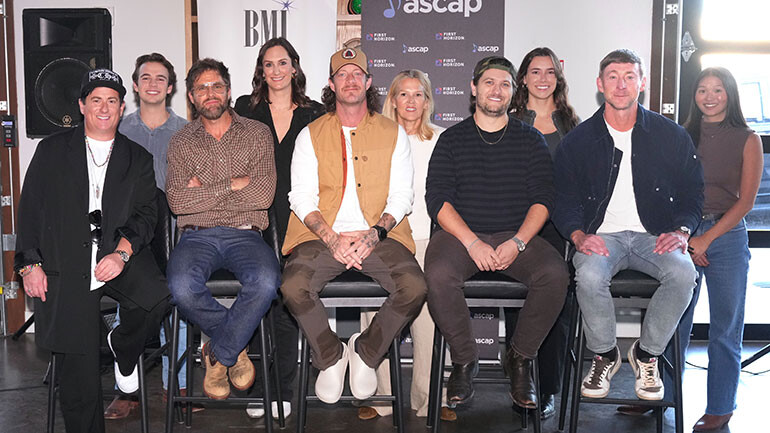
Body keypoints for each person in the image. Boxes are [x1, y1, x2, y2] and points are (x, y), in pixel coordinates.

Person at [15, 68, 170, 433]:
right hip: (65, 264)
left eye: (112, 101)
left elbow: (148, 215)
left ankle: (122, 344)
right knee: (79, 373)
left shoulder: (138, 157)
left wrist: (122, 253)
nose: (104, 108)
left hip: (118, 257)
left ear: (121, 108)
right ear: (82, 105)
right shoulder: (51, 150)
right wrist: (29, 264)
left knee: (157, 298)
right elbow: (31, 209)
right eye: (96, 100)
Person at [552, 49, 702, 402]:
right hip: (601, 237)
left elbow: (693, 193)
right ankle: (604, 354)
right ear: (600, 84)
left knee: (684, 274)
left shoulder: (671, 135)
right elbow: (562, 198)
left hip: (656, 236)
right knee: (588, 275)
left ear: (642, 83)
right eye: (614, 77)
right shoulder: (578, 140)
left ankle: (647, 354)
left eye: (630, 76)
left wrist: (682, 231)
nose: (621, 85)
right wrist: (577, 235)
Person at [281, 47, 427, 405]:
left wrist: (374, 233)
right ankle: (331, 357)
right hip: (321, 237)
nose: (350, 80)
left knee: (414, 286)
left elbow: (402, 195)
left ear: (368, 82)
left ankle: (364, 352)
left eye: (356, 74)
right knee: (292, 285)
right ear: (331, 84)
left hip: (379, 235)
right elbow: (299, 196)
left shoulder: (393, 133)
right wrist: (332, 238)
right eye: (342, 75)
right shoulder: (310, 134)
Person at [424, 55, 570, 410]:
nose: (497, 90)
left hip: (515, 235)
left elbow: (543, 199)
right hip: (463, 237)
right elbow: (438, 199)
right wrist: (472, 242)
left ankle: (519, 359)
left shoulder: (531, 139)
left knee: (555, 274)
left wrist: (518, 241)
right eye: (489, 82)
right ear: (474, 89)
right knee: (439, 272)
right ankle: (464, 360)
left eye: (505, 84)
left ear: (513, 91)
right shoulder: (452, 139)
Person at [641, 67, 762, 431]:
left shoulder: (748, 138)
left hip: (727, 235)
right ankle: (660, 396)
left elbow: (746, 202)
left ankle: (720, 406)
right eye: (702, 90)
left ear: (730, 95)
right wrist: (688, 236)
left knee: (726, 329)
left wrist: (706, 240)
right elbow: (666, 192)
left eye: (718, 90)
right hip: (682, 233)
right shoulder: (680, 136)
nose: (709, 97)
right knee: (672, 322)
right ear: (693, 95)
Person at [165, 58, 281, 401]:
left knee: (267, 281)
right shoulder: (181, 141)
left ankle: (218, 353)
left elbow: (264, 193)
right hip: (196, 235)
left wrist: (204, 190)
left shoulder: (257, 134)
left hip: (246, 233)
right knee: (181, 286)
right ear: (191, 96)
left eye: (217, 86)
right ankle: (234, 347)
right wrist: (234, 185)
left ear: (229, 92)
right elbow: (178, 201)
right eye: (202, 88)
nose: (210, 93)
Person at [234, 37, 324, 420]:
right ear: (261, 70)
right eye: (268, 64)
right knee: (258, 298)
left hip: (301, 216)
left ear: (295, 67)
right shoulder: (245, 108)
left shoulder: (316, 112)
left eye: (282, 63)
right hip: (253, 214)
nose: (276, 71)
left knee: (287, 300)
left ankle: (284, 389)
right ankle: (259, 384)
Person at [357, 69, 455, 421]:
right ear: (392, 99)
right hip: (386, 239)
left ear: (428, 101)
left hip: (429, 239)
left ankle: (431, 398)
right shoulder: (376, 139)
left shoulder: (444, 140)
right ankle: (380, 396)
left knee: (430, 318)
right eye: (403, 94)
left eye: (418, 94)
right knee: (377, 312)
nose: (411, 101)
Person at [105, 52, 194, 419]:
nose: (153, 83)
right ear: (136, 86)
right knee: (134, 299)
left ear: (170, 87)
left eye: (160, 78)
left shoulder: (188, 132)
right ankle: (127, 390)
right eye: (146, 77)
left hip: (175, 229)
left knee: (181, 298)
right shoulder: (117, 129)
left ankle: (181, 385)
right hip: (130, 235)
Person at [507, 46, 580, 419]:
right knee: (519, 311)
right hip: (516, 229)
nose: (542, 79)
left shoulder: (572, 124)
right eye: (535, 72)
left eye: (549, 72)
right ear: (523, 78)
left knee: (556, 313)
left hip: (559, 231)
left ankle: (548, 388)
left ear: (558, 78)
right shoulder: (509, 120)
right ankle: (520, 387)